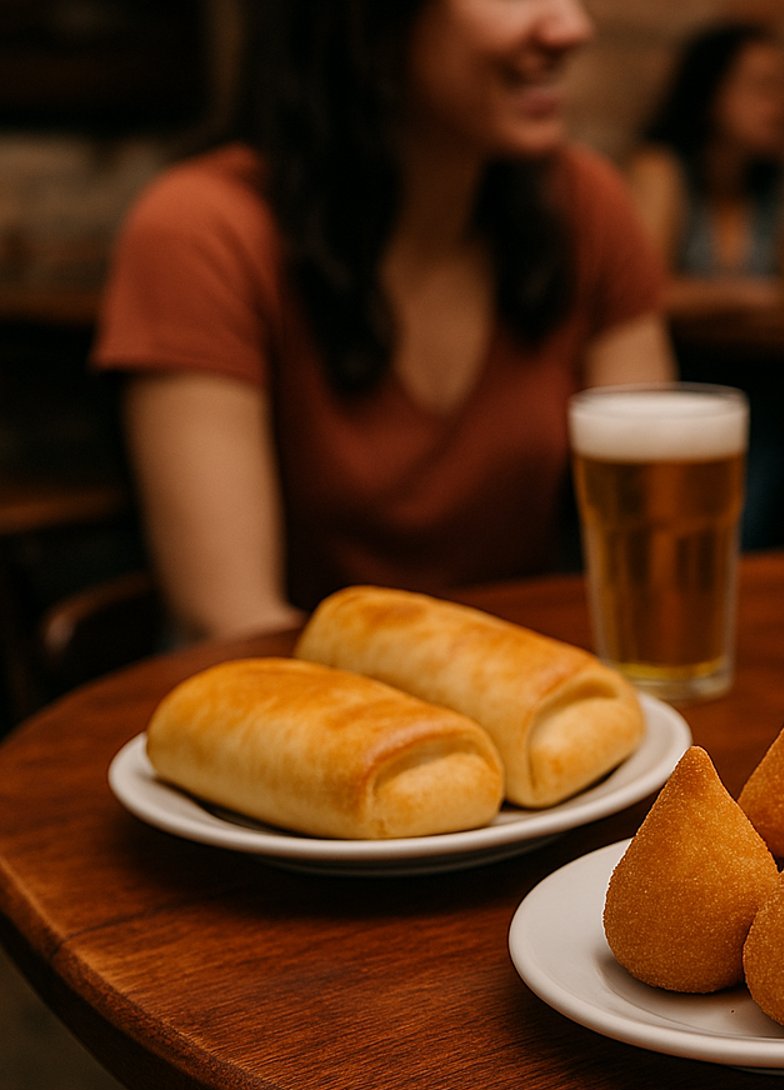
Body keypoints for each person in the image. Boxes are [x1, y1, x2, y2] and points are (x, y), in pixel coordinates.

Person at [93, 0, 675, 644]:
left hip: (527, 702)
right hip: (307, 710)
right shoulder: (202, 229)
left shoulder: (585, 205)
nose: (571, 28)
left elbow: (657, 562)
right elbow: (232, 618)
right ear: (366, 21)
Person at [628, 22, 784, 317]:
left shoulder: (779, 187)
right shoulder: (661, 171)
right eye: (765, 87)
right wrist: (742, 296)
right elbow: (637, 294)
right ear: (712, 93)